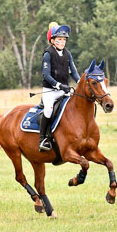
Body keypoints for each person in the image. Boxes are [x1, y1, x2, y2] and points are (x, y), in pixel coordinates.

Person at [39, 21, 80, 151]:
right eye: (59, 39)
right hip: (50, 91)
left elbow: (73, 72)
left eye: (64, 40)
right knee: (49, 110)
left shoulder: (68, 54)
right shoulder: (48, 54)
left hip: (64, 90)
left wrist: (81, 83)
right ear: (52, 40)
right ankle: (43, 139)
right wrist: (58, 85)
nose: (62, 42)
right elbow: (46, 75)